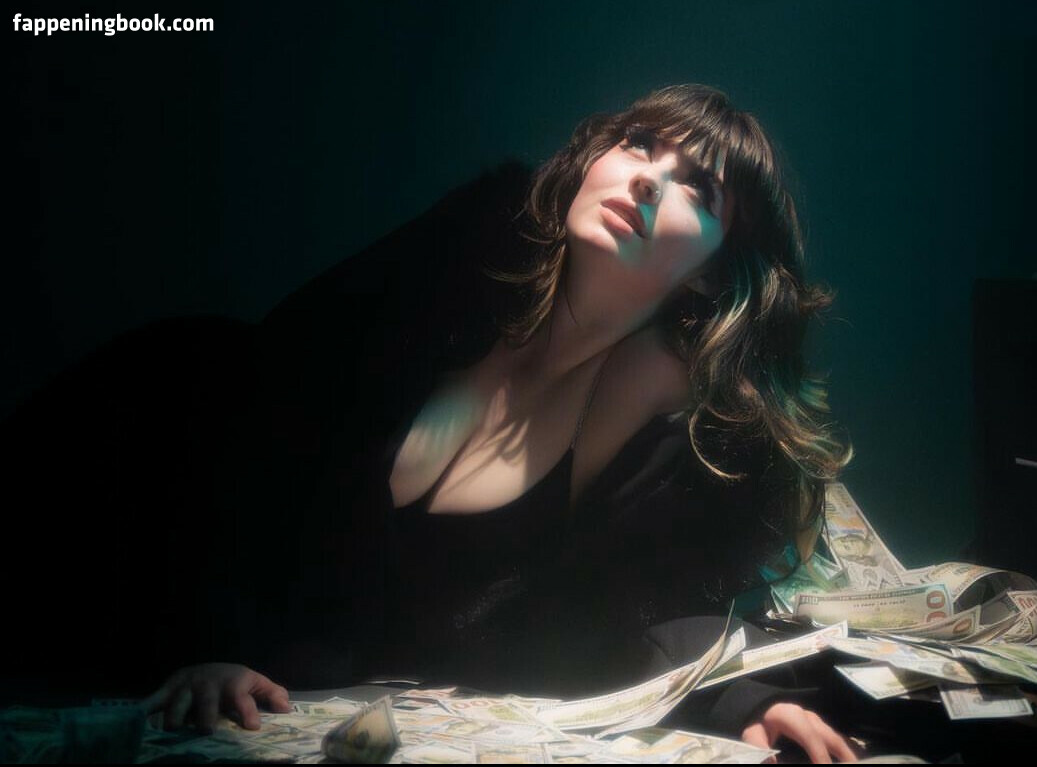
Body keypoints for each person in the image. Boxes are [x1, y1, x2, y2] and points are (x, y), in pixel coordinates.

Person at [144, 84, 856, 761]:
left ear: (710, 271)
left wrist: (743, 701)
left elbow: (639, 606)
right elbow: (257, 415)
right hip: (140, 489)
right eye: (638, 143)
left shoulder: (655, 413)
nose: (647, 179)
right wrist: (212, 642)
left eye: (697, 187)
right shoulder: (465, 250)